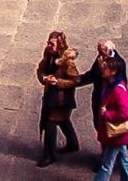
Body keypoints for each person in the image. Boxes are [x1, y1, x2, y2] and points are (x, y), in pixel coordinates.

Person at [36, 29, 80, 168]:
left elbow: (76, 80)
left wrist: (58, 82)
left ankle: (49, 155)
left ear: (59, 45)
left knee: (50, 123)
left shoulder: (67, 62)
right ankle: (72, 143)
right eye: (48, 43)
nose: (49, 46)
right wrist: (44, 78)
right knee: (62, 120)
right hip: (51, 94)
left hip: (61, 99)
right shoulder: (48, 54)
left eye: (52, 44)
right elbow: (41, 69)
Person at [94, 54, 128, 181]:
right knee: (124, 160)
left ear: (113, 72)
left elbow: (125, 113)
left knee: (106, 164)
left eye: (105, 68)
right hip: (119, 134)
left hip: (117, 134)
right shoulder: (111, 84)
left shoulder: (118, 90)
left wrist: (106, 114)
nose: (102, 69)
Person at [78, 39, 128, 136]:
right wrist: (76, 80)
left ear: (109, 51)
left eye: (102, 52)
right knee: (99, 125)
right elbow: (92, 74)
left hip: (110, 102)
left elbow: (118, 83)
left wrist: (102, 69)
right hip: (99, 98)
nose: (99, 55)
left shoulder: (118, 63)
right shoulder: (101, 58)